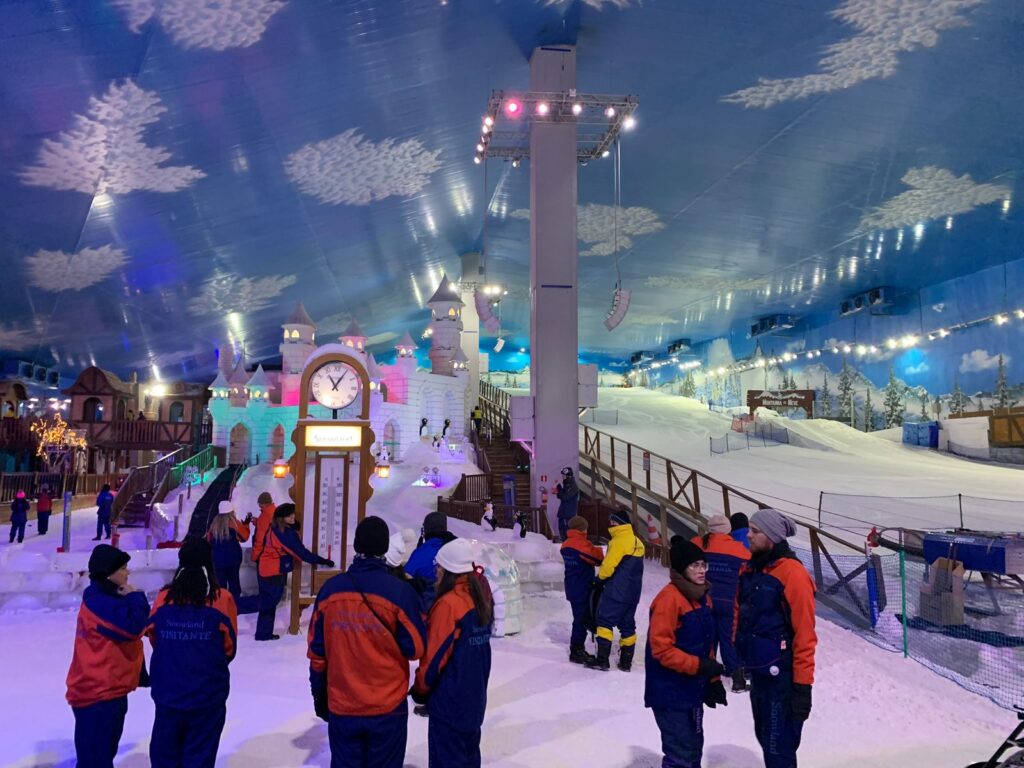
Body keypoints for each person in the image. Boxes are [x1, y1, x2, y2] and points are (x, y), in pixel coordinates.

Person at [308, 517, 426, 768]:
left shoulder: (331, 591)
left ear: (356, 544)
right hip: (387, 706)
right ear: (384, 548)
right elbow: (415, 648)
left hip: (343, 703)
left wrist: (319, 696)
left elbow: (317, 653)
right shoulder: (399, 592)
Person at [736, 508, 817, 768]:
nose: (748, 535)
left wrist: (802, 688)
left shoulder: (792, 574)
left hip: (781, 680)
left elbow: (805, 635)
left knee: (777, 749)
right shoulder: (752, 569)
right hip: (759, 674)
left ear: (772, 536)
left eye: (755, 531)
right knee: (766, 739)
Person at [146, 538, 237, 768]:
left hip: (168, 693)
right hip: (207, 695)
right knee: (199, 757)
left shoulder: (164, 598)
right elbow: (229, 648)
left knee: (165, 756)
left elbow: (154, 636)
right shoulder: (221, 599)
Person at [66, 544, 150, 768]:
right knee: (96, 760)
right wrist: (135, 597)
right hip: (97, 695)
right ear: (108, 573)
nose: (127, 572)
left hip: (108, 691)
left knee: (100, 756)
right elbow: (134, 627)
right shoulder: (101, 603)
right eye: (123, 568)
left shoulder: (106, 597)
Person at [645, 537, 727, 768]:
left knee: (693, 746)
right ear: (682, 568)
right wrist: (700, 666)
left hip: (692, 688)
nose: (701, 571)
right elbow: (660, 649)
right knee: (680, 752)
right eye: (695, 566)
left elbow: (706, 642)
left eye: (704, 565)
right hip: (669, 690)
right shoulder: (669, 600)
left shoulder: (702, 597)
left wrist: (712, 680)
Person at [412, 538, 494, 768]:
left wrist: (420, 689)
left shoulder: (449, 605)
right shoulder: (477, 599)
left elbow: (436, 656)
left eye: (438, 566)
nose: (435, 571)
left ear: (449, 570)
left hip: (449, 703)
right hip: (473, 700)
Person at [256, 503, 334, 641]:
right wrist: (323, 561)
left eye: (292, 514)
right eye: (288, 515)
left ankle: (263, 633)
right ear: (281, 518)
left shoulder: (276, 528)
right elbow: (301, 553)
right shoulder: (285, 533)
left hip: (266, 568)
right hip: (272, 572)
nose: (292, 517)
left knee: (269, 602)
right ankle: (238, 606)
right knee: (268, 601)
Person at [692, 514, 751, 692]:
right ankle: (737, 679)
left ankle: (706, 676)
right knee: (728, 639)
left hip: (704, 598)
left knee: (706, 637)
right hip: (728, 601)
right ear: (728, 529)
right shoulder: (739, 549)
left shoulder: (697, 543)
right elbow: (748, 571)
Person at [586, 510, 645, 672]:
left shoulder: (619, 541)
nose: (611, 524)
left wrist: (599, 579)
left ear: (619, 523)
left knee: (604, 621)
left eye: (613, 522)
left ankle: (602, 660)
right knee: (627, 625)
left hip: (617, 591)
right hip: (633, 593)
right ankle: (626, 663)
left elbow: (609, 565)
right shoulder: (637, 542)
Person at [559, 516, 604, 664]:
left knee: (579, 617)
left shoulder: (566, 544)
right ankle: (576, 650)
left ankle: (577, 648)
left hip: (572, 586)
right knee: (581, 619)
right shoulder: (579, 544)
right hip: (582, 587)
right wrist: (596, 549)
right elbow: (597, 559)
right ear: (581, 529)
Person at [405, 511, 457, 611]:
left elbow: (406, 575)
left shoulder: (420, 553)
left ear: (426, 530)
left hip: (429, 607)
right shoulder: (456, 546)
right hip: (456, 606)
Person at [206, 500, 251, 598]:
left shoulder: (214, 523)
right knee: (234, 583)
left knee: (220, 586)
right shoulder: (235, 523)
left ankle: (221, 606)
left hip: (217, 560)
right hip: (233, 559)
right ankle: (234, 606)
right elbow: (244, 538)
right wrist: (246, 525)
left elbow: (208, 540)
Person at [249, 492, 276, 564]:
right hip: (274, 552)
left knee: (263, 574)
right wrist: (257, 522)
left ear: (265, 503)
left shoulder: (265, 515)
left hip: (264, 553)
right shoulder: (274, 511)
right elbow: (268, 528)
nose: (259, 506)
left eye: (260, 505)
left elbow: (260, 538)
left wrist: (254, 556)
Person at [555, 466, 580, 541]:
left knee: (567, 533)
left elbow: (565, 497)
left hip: (568, 514)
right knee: (562, 531)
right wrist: (560, 491)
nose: (562, 477)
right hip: (563, 512)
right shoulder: (567, 485)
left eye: (563, 475)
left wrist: (560, 490)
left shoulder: (573, 486)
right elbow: (561, 496)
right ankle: (565, 544)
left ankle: (568, 545)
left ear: (568, 476)